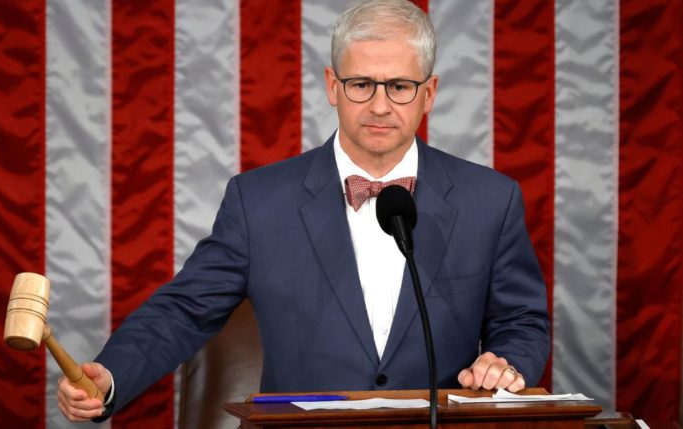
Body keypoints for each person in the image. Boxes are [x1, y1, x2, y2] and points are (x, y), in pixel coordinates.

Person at [58, 0, 550, 422]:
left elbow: (522, 321)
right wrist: (112, 373)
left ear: (430, 92)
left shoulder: (490, 199)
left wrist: (505, 362)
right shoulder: (259, 201)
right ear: (332, 86)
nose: (380, 106)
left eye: (399, 86)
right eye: (362, 84)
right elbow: (184, 310)